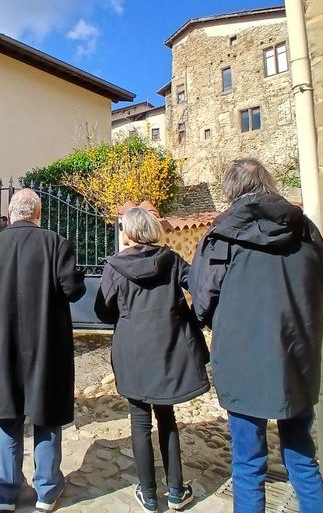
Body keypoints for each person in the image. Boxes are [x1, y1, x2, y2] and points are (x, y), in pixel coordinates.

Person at [188, 159, 323, 513]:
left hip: (242, 358)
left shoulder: (221, 236)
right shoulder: (305, 230)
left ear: (230, 190)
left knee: (248, 463)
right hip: (296, 354)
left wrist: (224, 322)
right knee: (302, 456)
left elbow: (202, 297)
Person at [0, 189, 86, 512]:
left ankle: (7, 493)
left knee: (7, 417)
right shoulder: (55, 243)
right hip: (46, 347)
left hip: (0, 346)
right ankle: (46, 491)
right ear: (38, 214)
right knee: (46, 415)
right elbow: (73, 290)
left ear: (11, 213)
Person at [95, 207, 209, 512]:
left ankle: (147, 494)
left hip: (133, 350)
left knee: (139, 422)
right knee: (166, 417)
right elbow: (200, 285)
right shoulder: (171, 260)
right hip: (167, 347)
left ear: (130, 232)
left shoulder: (116, 267)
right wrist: (193, 320)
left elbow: (102, 311)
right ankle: (176, 491)